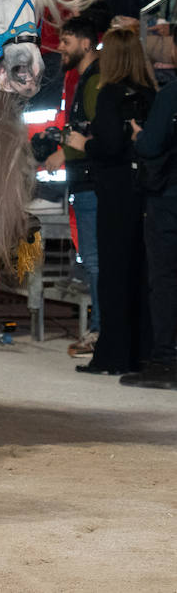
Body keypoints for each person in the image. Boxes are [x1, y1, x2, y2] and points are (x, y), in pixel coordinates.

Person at [74, 28, 154, 376]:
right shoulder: (150, 94)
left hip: (113, 189)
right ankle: (141, 353)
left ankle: (112, 355)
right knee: (140, 270)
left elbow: (107, 145)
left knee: (112, 272)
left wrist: (83, 144)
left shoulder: (109, 94)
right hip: (143, 190)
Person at [45, 14, 105, 353]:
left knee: (95, 261)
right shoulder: (83, 82)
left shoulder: (95, 82)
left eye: (66, 42)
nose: (60, 49)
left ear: (85, 43)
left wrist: (66, 154)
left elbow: (99, 133)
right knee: (94, 260)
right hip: (85, 184)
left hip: (91, 185)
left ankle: (99, 332)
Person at [126, 74, 177, 388]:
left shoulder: (172, 94)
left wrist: (139, 135)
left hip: (170, 198)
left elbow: (152, 143)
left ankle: (166, 361)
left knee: (165, 278)